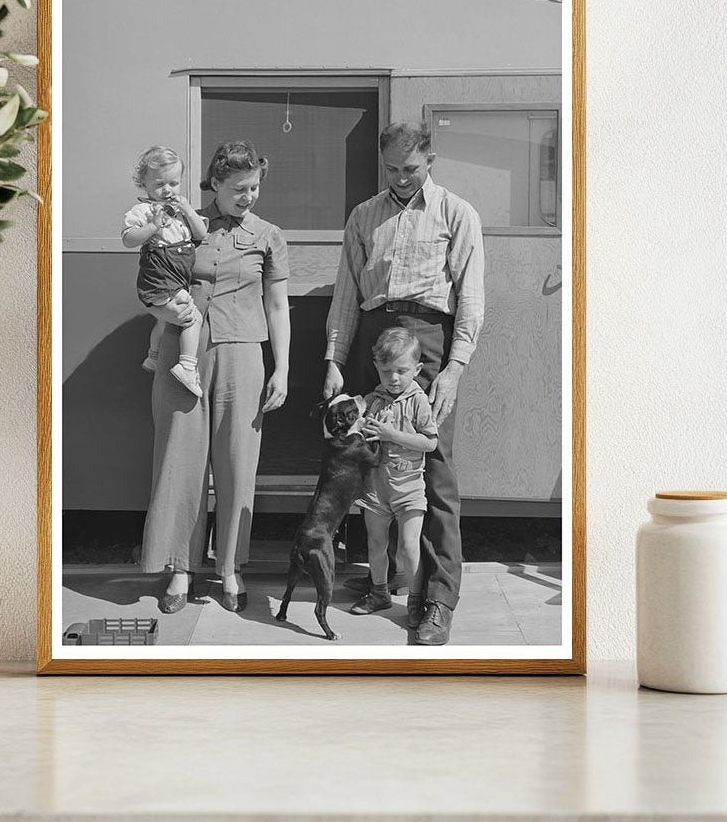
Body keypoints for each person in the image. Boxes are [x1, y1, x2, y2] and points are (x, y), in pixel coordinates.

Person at [323, 120, 484, 646]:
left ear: (430, 158)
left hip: (429, 342)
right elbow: (347, 292)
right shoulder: (364, 216)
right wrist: (334, 359)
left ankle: (435, 598)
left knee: (433, 470)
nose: (402, 177)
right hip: (375, 335)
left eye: (411, 168)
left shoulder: (457, 214)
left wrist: (454, 369)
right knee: (367, 461)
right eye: (392, 169)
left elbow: (471, 300)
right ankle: (381, 581)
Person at [141, 140, 290, 614]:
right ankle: (180, 569)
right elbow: (157, 278)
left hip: (243, 355)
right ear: (216, 185)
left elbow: (278, 305)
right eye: (239, 188)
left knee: (236, 463)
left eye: (255, 188)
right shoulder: (183, 224)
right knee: (179, 461)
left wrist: (282, 367)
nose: (249, 196)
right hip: (183, 352)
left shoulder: (269, 235)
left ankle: (230, 567)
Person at [350, 327, 437, 630]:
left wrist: (392, 434)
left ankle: (415, 600)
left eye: (402, 370)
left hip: (409, 488)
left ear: (417, 369)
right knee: (375, 543)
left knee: (408, 547)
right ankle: (378, 593)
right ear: (377, 367)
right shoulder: (372, 400)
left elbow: (430, 442)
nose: (394, 378)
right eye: (387, 371)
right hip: (376, 487)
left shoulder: (418, 401)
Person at [122, 146, 208, 397]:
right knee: (193, 318)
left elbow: (200, 234)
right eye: (160, 184)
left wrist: (189, 211)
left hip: (178, 276)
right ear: (144, 183)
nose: (167, 190)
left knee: (162, 319)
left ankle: (153, 356)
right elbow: (128, 239)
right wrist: (152, 226)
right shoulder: (142, 211)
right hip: (162, 275)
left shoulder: (182, 211)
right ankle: (187, 366)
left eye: (174, 183)